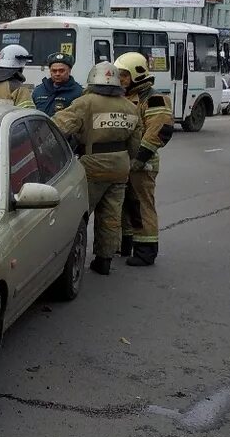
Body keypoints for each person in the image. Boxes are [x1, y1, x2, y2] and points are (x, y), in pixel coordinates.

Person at [52, 62, 142, 275]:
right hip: (120, 168)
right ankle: (104, 260)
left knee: (79, 214)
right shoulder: (130, 107)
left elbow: (58, 127)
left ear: (92, 80)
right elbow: (135, 145)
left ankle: (68, 261)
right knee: (111, 216)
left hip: (92, 165)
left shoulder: (85, 103)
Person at [115, 51, 174, 267]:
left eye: (123, 75)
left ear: (136, 75)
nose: (119, 80)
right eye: (118, 75)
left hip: (142, 163)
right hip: (125, 162)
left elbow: (158, 132)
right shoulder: (125, 96)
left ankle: (146, 251)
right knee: (127, 205)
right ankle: (126, 244)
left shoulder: (155, 98)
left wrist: (139, 159)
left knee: (141, 206)